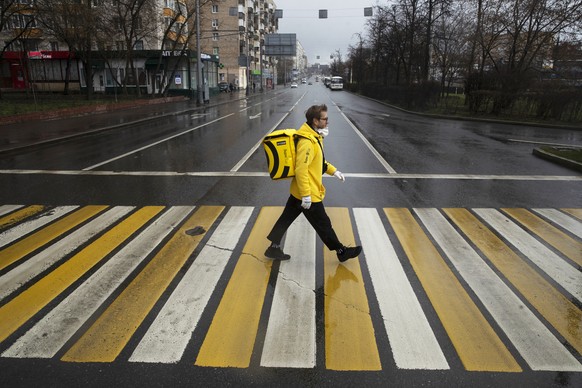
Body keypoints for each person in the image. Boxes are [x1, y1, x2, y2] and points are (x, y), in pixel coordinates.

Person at [265, 104, 362, 262]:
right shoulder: (307, 142)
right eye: (325, 119)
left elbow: (320, 162)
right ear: (315, 121)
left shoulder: (315, 137)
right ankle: (341, 251)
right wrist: (306, 196)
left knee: (285, 219)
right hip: (308, 193)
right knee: (323, 224)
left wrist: (334, 171)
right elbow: (301, 169)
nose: (327, 122)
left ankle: (273, 248)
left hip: (298, 192)